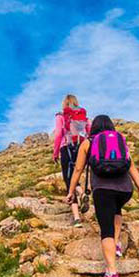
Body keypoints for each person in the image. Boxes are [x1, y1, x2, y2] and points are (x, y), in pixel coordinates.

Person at [66, 115, 139, 277]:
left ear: (93, 126)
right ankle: (116, 245)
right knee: (117, 211)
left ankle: (111, 273)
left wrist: (71, 190)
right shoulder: (119, 140)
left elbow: (78, 169)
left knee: (106, 229)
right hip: (125, 189)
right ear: (110, 126)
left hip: (103, 190)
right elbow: (131, 165)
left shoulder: (87, 142)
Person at [52, 94, 90, 227]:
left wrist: (55, 153)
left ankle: (77, 217)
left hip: (66, 148)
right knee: (76, 175)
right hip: (81, 148)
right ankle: (82, 194)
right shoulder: (83, 117)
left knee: (69, 181)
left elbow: (57, 135)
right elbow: (89, 132)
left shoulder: (61, 116)